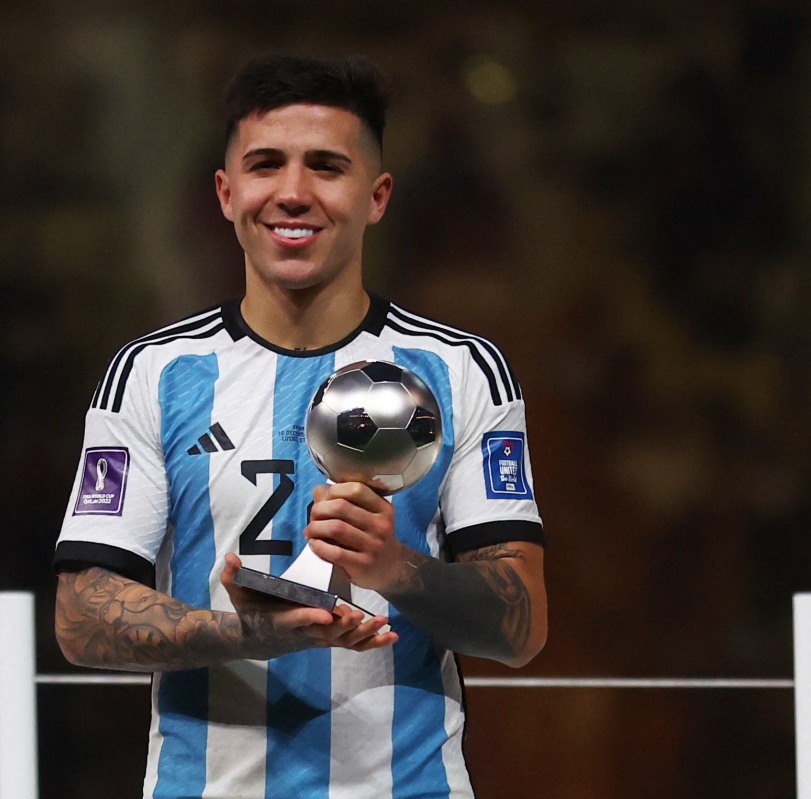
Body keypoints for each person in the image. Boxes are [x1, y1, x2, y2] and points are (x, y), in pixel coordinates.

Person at [53, 53, 547, 798]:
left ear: (376, 196)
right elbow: (82, 614)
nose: (292, 192)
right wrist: (251, 633)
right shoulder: (154, 374)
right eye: (265, 165)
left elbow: (522, 626)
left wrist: (393, 567)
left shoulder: (462, 371)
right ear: (226, 193)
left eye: (325, 166)